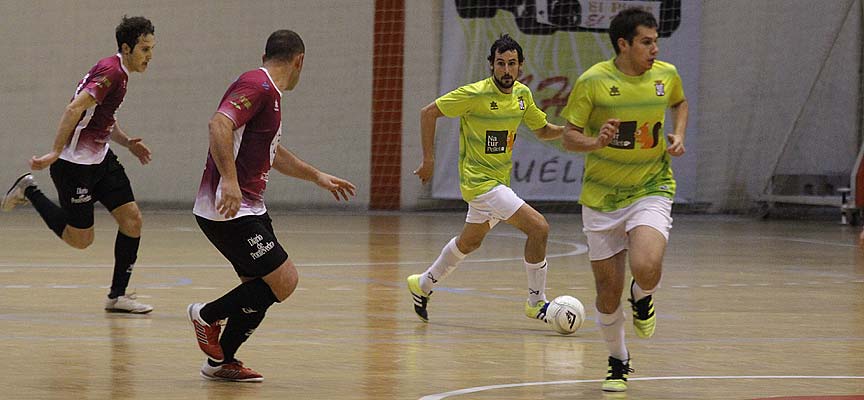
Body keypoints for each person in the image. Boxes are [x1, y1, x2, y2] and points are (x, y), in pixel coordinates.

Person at [186, 29, 356, 382]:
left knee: (261, 292)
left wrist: (316, 176)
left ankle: (221, 363)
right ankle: (205, 315)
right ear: (299, 61)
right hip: (228, 208)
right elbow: (219, 123)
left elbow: (272, 152)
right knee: (285, 280)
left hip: (250, 208)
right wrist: (230, 181)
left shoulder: (270, 94)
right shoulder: (258, 86)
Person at [560, 8, 689, 392]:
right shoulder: (594, 82)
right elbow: (569, 135)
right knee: (606, 293)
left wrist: (679, 135)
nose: (654, 49)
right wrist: (595, 141)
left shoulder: (666, 76)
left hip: (651, 186)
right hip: (601, 197)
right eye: (646, 42)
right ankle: (618, 361)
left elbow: (679, 103)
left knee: (646, 266)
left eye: (655, 41)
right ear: (623, 44)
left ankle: (643, 294)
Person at [1, 16, 156, 314]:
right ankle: (29, 189)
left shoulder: (119, 73)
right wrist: (55, 153)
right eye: (144, 49)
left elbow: (101, 118)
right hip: (74, 166)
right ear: (126, 48)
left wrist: (127, 143)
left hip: (101, 160)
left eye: (152, 49)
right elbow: (74, 108)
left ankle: (117, 297)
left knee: (132, 220)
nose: (150, 56)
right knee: (81, 240)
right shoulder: (111, 72)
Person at [407, 34, 565, 325]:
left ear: (520, 66)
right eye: (501, 64)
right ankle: (536, 302)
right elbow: (428, 113)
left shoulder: (522, 96)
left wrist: (570, 132)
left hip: (498, 183)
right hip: (480, 183)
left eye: (512, 64)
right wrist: (428, 159)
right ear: (491, 65)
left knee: (469, 243)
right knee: (539, 228)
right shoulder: (474, 94)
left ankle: (423, 284)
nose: (506, 70)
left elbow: (543, 130)